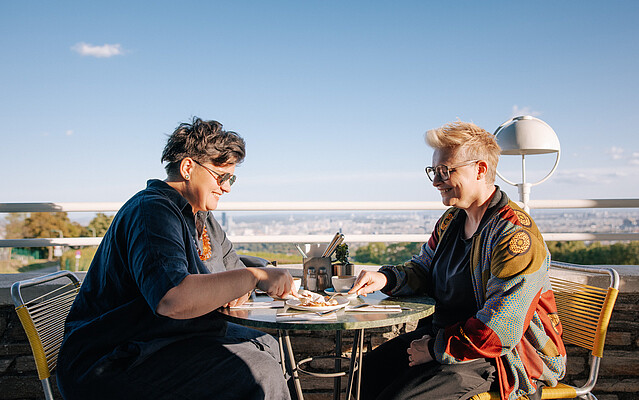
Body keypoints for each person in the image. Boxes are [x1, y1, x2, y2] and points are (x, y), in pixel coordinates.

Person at [57, 117, 297, 400]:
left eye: (231, 178)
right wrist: (255, 277)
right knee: (258, 372)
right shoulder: (153, 212)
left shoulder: (201, 219)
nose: (228, 187)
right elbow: (173, 298)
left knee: (267, 344)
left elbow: (233, 270)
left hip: (163, 340)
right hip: (113, 361)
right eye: (221, 177)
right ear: (187, 168)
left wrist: (247, 280)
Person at [349, 121, 566, 400]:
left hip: (503, 359)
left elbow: (500, 330)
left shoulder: (515, 238)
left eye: (445, 171)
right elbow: (424, 268)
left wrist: (431, 349)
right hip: (449, 338)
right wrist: (386, 278)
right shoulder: (452, 220)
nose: (436, 182)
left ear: (480, 169)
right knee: (368, 373)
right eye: (434, 171)